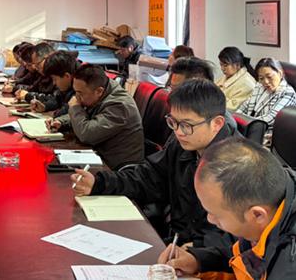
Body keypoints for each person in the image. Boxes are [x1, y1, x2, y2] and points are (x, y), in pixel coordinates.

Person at [72, 79, 240, 247]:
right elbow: (148, 178)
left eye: (186, 125)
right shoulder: (183, 144)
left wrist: (197, 253)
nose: (179, 132)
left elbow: (235, 236)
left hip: (204, 253)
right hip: (176, 243)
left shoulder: (237, 166)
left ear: (217, 123)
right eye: (173, 122)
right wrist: (99, 183)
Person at [158, 138, 296, 279]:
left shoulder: (288, 268)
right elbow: (240, 254)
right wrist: (198, 261)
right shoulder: (273, 200)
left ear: (257, 215)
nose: (210, 219)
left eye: (216, 215)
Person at [65, 64, 144, 170]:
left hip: (118, 169)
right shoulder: (99, 93)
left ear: (99, 91)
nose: (76, 98)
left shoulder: (120, 105)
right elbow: (85, 114)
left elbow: (87, 134)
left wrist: (75, 108)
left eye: (80, 93)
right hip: (100, 155)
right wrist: (61, 122)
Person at [237, 57, 296, 146]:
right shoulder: (259, 87)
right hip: (249, 131)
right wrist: (237, 117)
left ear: (280, 74)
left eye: (269, 77)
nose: (266, 82)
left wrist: (245, 121)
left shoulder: (288, 93)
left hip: (266, 138)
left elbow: (270, 118)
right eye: (261, 78)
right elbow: (244, 106)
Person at [39, 50, 78, 130]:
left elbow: (69, 111)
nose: (54, 83)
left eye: (55, 79)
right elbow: (57, 99)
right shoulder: (67, 83)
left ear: (67, 76)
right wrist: (45, 106)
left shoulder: (83, 86)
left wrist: (57, 116)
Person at [216, 47, 257, 112]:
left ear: (237, 65)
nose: (222, 68)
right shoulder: (226, 76)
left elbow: (231, 108)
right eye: (221, 65)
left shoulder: (247, 84)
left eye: (225, 65)